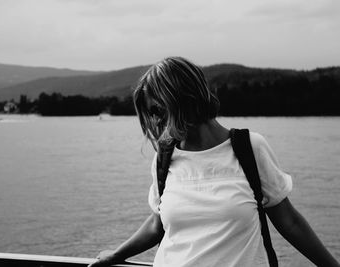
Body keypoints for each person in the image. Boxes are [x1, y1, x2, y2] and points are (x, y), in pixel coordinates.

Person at [88, 57, 339, 267]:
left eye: (157, 111)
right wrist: (118, 254)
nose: (155, 122)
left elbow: (290, 222)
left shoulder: (249, 148)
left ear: (185, 100)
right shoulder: (164, 159)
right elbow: (157, 223)